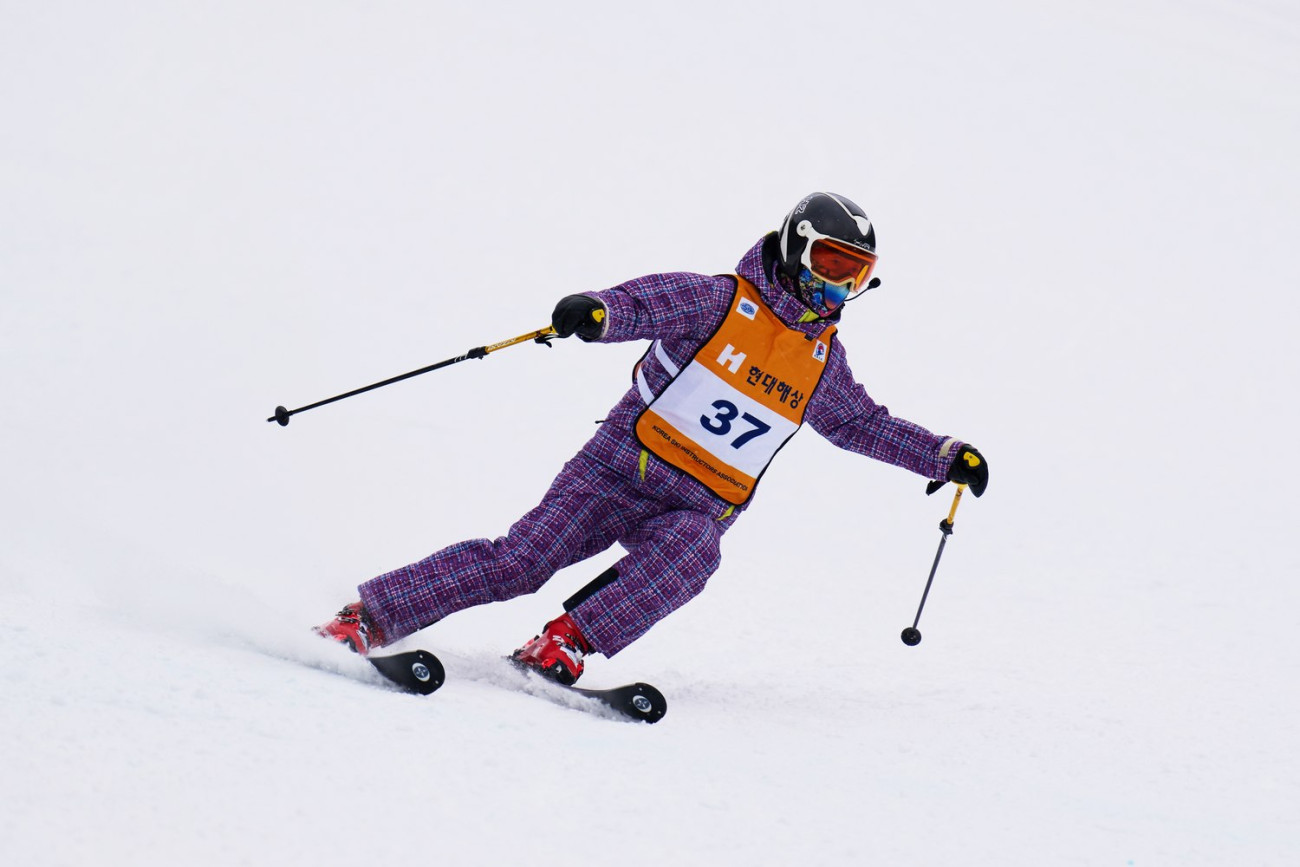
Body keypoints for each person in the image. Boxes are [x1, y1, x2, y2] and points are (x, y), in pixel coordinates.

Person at [316, 192, 988, 684]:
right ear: (794, 249)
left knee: (695, 551)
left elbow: (858, 423)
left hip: (694, 506)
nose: (839, 283)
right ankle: (369, 616)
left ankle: (563, 643)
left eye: (856, 273)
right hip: (615, 473)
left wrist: (942, 457)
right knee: (521, 561)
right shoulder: (719, 300)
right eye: (831, 261)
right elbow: (645, 303)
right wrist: (599, 312)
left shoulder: (821, 361)